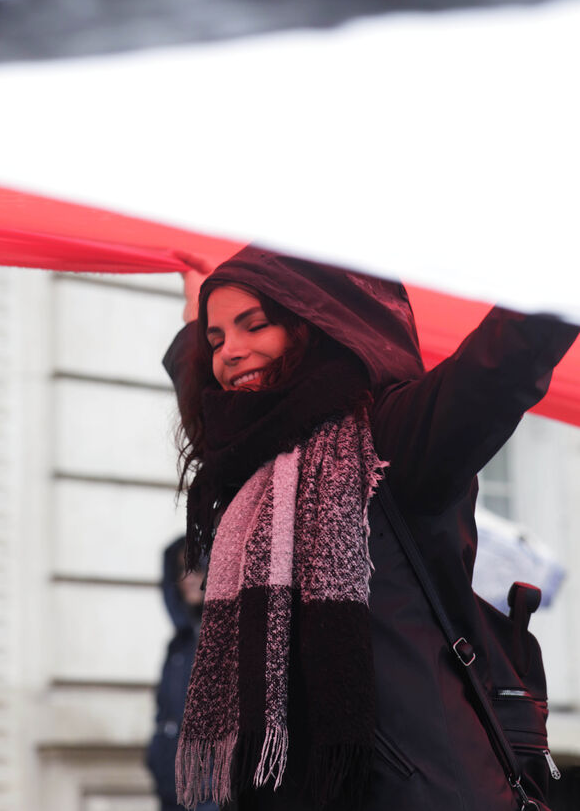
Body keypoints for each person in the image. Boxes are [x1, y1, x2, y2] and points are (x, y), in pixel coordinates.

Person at [163, 245, 578, 811]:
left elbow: (495, 371)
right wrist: (193, 323)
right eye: (215, 340)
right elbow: (207, 416)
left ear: (313, 327)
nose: (230, 351)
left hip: (422, 790)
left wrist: (557, 255)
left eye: (255, 325)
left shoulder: (391, 438)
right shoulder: (253, 467)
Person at [147, 537, 219, 811]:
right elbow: (165, 710)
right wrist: (157, 756)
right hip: (170, 789)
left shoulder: (228, 641)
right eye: (180, 571)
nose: (187, 579)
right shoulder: (179, 644)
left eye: (197, 568)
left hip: (209, 795)